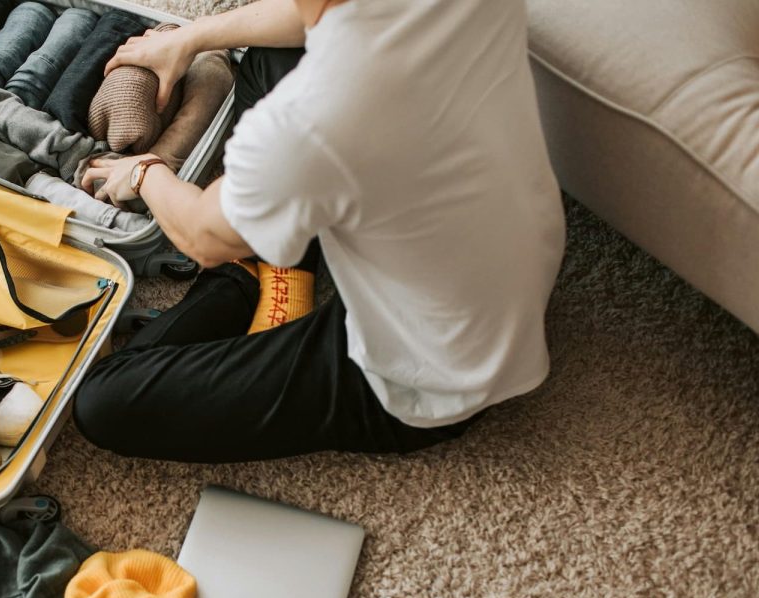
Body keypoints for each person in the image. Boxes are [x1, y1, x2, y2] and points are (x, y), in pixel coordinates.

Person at [72, 0, 566, 463]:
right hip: (505, 262)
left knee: (104, 399)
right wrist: (190, 38)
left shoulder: (308, 120)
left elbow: (203, 239)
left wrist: (144, 172)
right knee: (271, 56)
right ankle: (275, 249)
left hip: (433, 375)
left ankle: (248, 278)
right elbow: (308, 14)